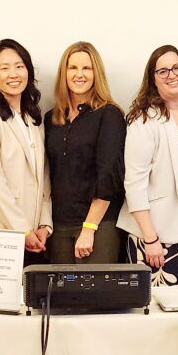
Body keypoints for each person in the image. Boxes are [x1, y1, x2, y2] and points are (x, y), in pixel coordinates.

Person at [118, 45, 178, 286]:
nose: (171, 75)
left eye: (176, 68)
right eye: (162, 71)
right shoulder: (144, 119)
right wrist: (150, 239)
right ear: (153, 79)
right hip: (158, 237)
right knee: (161, 313)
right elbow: (134, 184)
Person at [0, 39, 52, 264]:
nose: (13, 74)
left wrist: (45, 225)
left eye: (19, 66)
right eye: (4, 68)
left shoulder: (33, 119)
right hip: (1, 235)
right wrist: (23, 230)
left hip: (35, 235)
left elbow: (43, 177)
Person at [44, 41, 125, 264]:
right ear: (64, 73)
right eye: (73, 68)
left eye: (87, 68)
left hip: (98, 225)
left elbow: (109, 176)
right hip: (59, 226)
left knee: (96, 297)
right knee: (62, 298)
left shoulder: (109, 115)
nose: (79, 75)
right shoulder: (51, 118)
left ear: (96, 73)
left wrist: (89, 228)